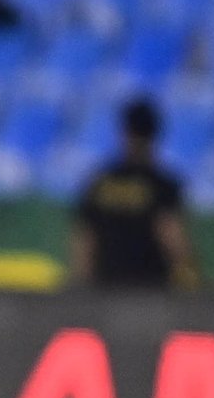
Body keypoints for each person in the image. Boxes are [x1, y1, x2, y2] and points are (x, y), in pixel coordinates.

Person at [72, 99, 197, 289]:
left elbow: (85, 241)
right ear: (155, 135)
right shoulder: (162, 184)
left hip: (105, 291)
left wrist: (82, 285)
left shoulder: (99, 183)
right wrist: (190, 276)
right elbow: (171, 234)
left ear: (124, 132)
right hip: (151, 291)